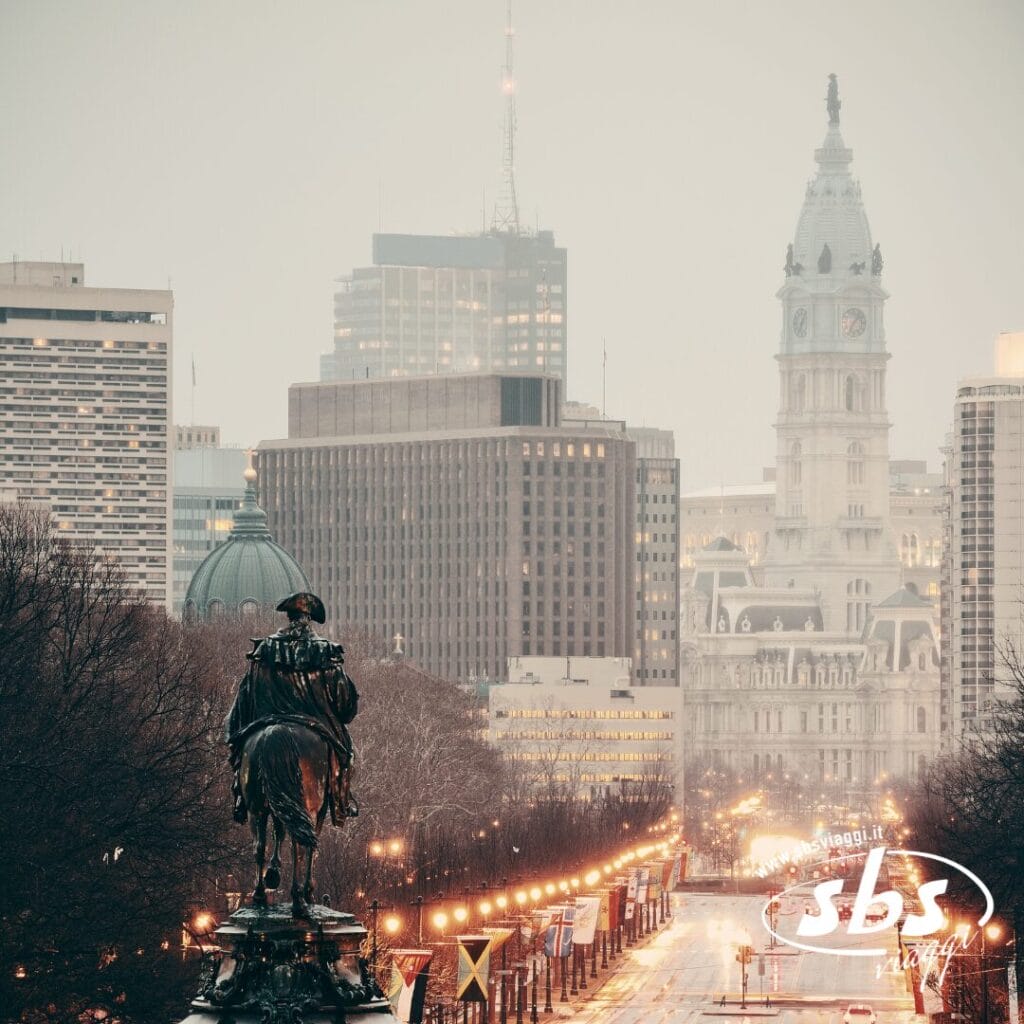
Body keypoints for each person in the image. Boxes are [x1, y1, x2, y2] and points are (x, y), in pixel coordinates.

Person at [225, 592, 358, 823]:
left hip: (265, 721)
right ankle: (342, 801)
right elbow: (345, 706)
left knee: (242, 751)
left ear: (289, 617)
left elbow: (244, 697)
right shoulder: (326, 652)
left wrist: (235, 733)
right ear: (310, 619)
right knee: (347, 755)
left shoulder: (263, 649)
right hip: (315, 724)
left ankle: (240, 793)